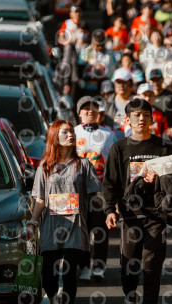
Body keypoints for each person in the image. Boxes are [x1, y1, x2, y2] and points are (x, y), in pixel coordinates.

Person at [103, 98, 172, 304]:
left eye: (145, 115)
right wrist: (109, 209)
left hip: (157, 215)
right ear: (127, 120)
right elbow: (110, 183)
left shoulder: (164, 147)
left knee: (152, 265)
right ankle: (130, 299)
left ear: (152, 119)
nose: (141, 119)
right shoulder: (120, 148)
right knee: (129, 265)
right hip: (129, 216)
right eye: (136, 115)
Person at [26, 120, 101, 304]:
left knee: (68, 272)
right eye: (65, 132)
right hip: (51, 226)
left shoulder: (83, 165)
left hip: (75, 226)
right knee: (48, 275)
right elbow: (40, 199)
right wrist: (32, 223)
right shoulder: (44, 166)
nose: (71, 135)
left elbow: (95, 195)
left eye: (71, 132)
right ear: (54, 137)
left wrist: (106, 212)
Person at [74, 97, 117, 281]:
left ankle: (99, 266)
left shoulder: (109, 134)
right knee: (81, 228)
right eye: (86, 108)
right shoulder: (73, 132)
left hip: (100, 188)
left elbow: (114, 165)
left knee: (100, 229)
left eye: (94, 108)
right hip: (78, 188)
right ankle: (84, 266)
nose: (90, 111)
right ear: (79, 113)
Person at [78, 31, 117, 97]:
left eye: (102, 45)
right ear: (93, 43)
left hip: (103, 86)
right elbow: (80, 68)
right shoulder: (87, 52)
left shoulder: (110, 55)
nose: (100, 47)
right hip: (88, 85)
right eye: (98, 45)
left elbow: (111, 72)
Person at [149, 69, 172, 138]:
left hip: (167, 134)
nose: (156, 83)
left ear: (162, 79)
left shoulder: (171, 96)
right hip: (151, 134)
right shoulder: (146, 97)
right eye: (153, 80)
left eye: (158, 79)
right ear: (149, 81)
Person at [106, 67, 135, 133]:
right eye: (118, 82)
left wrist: (117, 119)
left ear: (131, 84)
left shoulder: (138, 102)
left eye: (124, 82)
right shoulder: (108, 102)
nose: (121, 85)